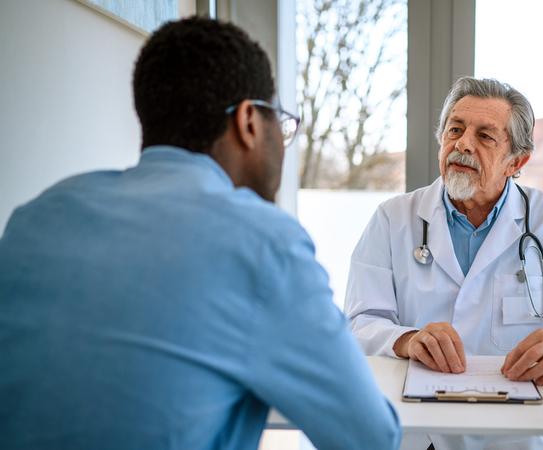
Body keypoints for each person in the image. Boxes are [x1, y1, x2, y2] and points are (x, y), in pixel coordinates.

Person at [0, 17, 400, 450]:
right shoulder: (262, 242)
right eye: (280, 124)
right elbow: (369, 437)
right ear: (249, 120)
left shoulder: (37, 216)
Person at [344, 77, 543, 450]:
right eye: (454, 129)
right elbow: (358, 323)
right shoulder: (392, 219)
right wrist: (407, 340)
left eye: (485, 136)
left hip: (513, 434)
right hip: (414, 430)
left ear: (517, 161)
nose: (462, 144)